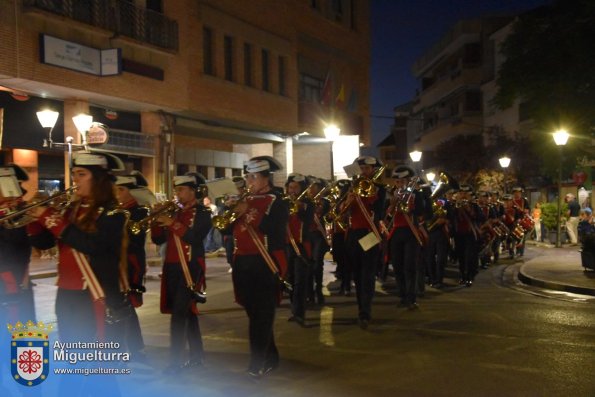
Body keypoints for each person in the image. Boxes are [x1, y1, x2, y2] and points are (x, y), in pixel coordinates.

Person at [27, 152, 129, 342]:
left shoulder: (113, 213)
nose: (75, 179)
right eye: (74, 173)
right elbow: (46, 243)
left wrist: (51, 219)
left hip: (93, 291)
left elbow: (92, 245)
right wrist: (33, 222)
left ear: (98, 178)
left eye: (81, 174)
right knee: (70, 348)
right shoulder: (70, 210)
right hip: (66, 290)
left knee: (95, 353)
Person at [225, 155, 288, 378]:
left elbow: (274, 230)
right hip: (242, 261)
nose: (249, 182)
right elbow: (225, 230)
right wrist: (229, 210)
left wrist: (247, 213)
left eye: (253, 177)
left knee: (262, 314)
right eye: (247, 177)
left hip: (265, 261)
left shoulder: (278, 201)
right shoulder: (245, 199)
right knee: (254, 313)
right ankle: (271, 357)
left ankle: (257, 362)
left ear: (265, 178)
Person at [151, 172, 211, 373]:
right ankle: (197, 355)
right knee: (186, 312)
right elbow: (159, 240)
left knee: (178, 315)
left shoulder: (203, 213)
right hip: (172, 268)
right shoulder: (173, 211)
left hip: (191, 267)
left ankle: (175, 362)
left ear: (193, 191)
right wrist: (155, 219)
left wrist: (172, 223)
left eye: (181, 190)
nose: (177, 194)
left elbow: (195, 238)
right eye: (176, 190)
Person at [345, 156, 385, 328]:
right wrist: (348, 200)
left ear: (373, 170)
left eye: (367, 168)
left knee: (367, 274)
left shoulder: (380, 189)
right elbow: (344, 212)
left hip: (370, 233)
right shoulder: (350, 187)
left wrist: (369, 196)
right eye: (361, 168)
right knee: (358, 275)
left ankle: (365, 312)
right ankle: (361, 308)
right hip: (354, 234)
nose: (363, 171)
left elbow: (380, 212)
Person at [115, 172, 151, 361]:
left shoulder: (139, 211)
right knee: (119, 306)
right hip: (118, 262)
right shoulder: (118, 210)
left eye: (119, 190)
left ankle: (135, 349)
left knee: (126, 305)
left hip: (130, 263)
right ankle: (126, 348)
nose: (117, 194)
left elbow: (134, 240)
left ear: (128, 191)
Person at [0, 164, 36, 329]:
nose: (21, 192)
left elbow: (40, 242)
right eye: (15, 185)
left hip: (17, 282)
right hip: (7, 283)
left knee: (23, 338)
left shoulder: (18, 214)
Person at [285, 173, 313, 326]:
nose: (292, 190)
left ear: (302, 188)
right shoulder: (284, 201)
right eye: (290, 187)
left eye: (296, 187)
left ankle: (300, 313)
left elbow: (307, 221)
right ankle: (294, 309)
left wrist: (301, 208)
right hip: (286, 245)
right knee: (290, 280)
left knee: (300, 281)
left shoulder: (308, 202)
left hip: (301, 246)